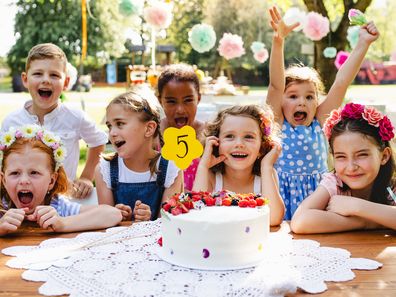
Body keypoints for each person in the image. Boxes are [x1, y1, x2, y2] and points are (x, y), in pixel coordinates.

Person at [267, 6, 380, 219]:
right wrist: (278, 41)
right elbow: (275, 85)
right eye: (292, 96)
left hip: (320, 199)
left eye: (310, 97)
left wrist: (363, 43)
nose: (302, 102)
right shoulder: (278, 123)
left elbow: (341, 83)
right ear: (281, 100)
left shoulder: (319, 122)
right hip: (281, 199)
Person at [1, 43, 108, 199]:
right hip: (24, 199)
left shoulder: (75, 117)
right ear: (25, 79)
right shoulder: (11, 121)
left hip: (64, 198)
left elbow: (98, 141)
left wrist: (86, 177)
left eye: (54, 75)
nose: (46, 80)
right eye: (38, 74)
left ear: (65, 82)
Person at [291, 103, 396, 233]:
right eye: (341, 157)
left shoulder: (392, 186)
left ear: (384, 156)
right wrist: (365, 222)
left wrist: (357, 207)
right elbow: (300, 222)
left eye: (362, 155)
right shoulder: (334, 184)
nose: (351, 167)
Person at [0, 125, 122, 236]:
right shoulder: (2, 208)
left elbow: (113, 214)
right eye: (15, 173)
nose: (24, 181)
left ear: (51, 181)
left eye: (34, 173)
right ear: (4, 180)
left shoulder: (59, 207)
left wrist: (62, 223)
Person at [95, 91, 183, 221]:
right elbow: (104, 224)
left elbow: (168, 222)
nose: (112, 133)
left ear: (149, 129)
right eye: (109, 126)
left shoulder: (171, 168)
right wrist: (115, 216)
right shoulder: (105, 169)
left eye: (120, 124)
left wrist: (149, 220)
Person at [192, 104, 285, 226]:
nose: (239, 144)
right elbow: (195, 214)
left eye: (248, 137)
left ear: (262, 147)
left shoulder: (266, 175)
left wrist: (266, 166)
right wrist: (203, 166)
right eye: (230, 136)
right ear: (216, 143)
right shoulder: (211, 176)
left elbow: (273, 219)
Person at [157, 64, 205, 191]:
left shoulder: (208, 134)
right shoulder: (152, 135)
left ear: (198, 98)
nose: (180, 109)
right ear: (160, 100)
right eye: (171, 101)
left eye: (188, 100)